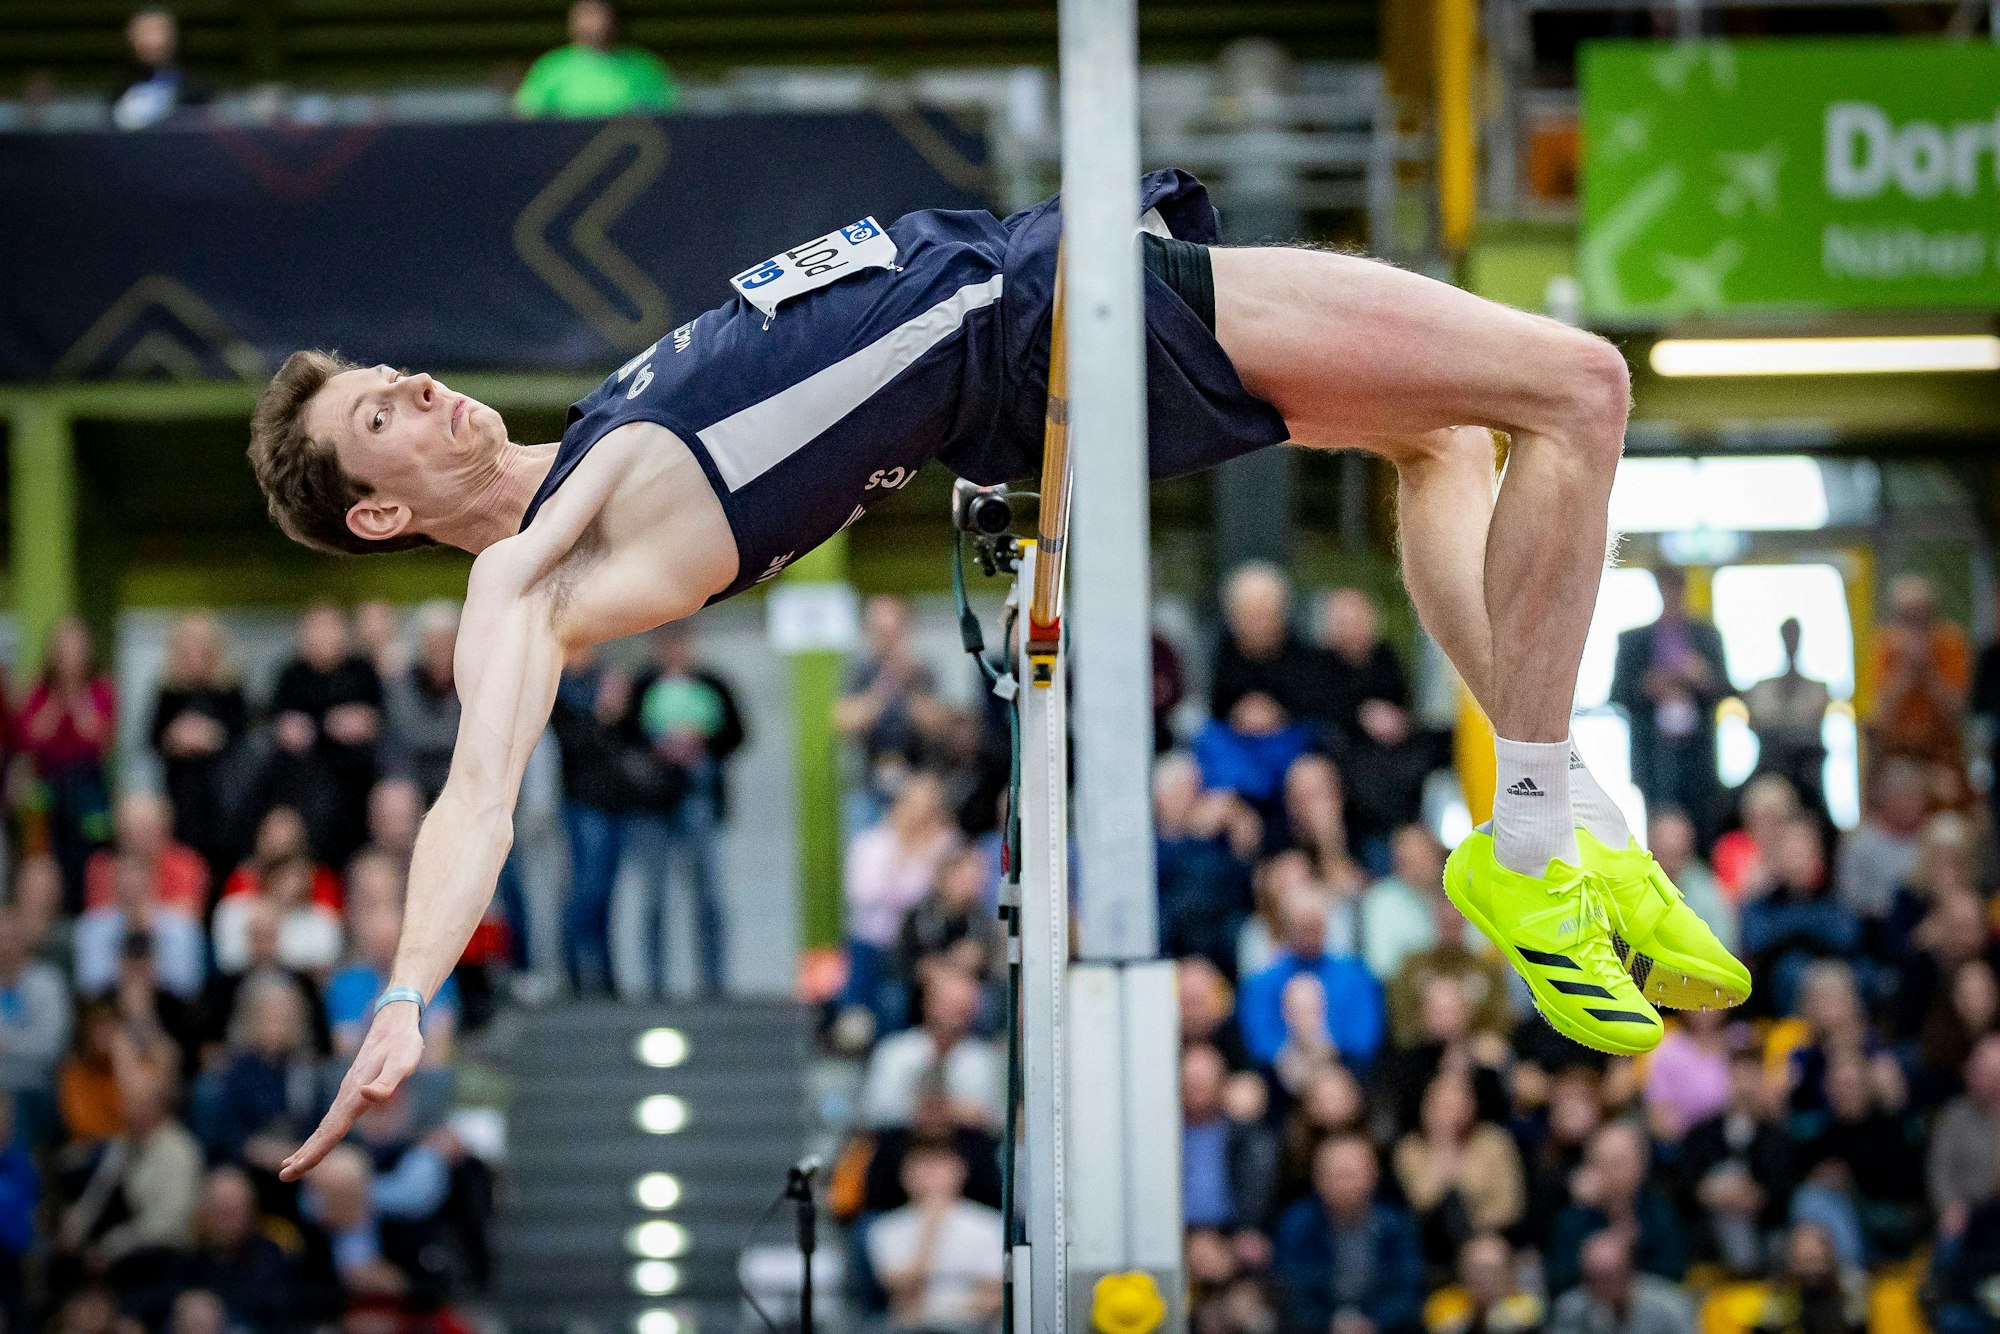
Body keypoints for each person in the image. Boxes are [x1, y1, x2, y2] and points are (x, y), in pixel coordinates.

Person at [252, 167, 1744, 1174]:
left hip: (1034, 297)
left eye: (390, 373)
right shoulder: (536, 568)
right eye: (375, 418)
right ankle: (1543, 833)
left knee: (1446, 436)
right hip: (1044, 323)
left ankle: (1577, 821)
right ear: (378, 511)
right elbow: (477, 795)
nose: (410, 386)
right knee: (1578, 385)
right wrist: (405, 992)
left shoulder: (590, 426)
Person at [623, 622, 745, 999]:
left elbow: (737, 734)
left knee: (708, 895)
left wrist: (700, 741)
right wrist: (659, 749)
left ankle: (714, 984)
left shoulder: (713, 683)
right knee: (654, 898)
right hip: (652, 805)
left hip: (697, 798)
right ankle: (655, 987)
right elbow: (623, 736)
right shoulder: (641, 685)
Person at [1610, 566, 1729, 848]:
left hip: (1698, 757)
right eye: (1667, 588)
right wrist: (1647, 686)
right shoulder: (1634, 641)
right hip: (1654, 755)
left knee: (1703, 833)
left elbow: (1727, 689)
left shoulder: (1707, 637)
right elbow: (1617, 693)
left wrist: (1702, 678)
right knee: (1659, 831)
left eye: (1678, 589)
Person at [1273, 1134, 1424, 1334]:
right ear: (1317, 1179)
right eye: (1335, 1175)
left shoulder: (1395, 1225)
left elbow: (1410, 1289)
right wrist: (1331, 1324)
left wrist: (1374, 1323)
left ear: (1373, 1176)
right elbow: (1289, 1293)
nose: (1343, 1185)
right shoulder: (1296, 1224)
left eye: (1350, 1175)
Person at [20, 617, 116, 908]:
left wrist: (77, 696)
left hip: (88, 781)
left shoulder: (101, 689)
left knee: (93, 854)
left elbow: (97, 737)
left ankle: (89, 906)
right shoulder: (39, 690)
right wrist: (57, 695)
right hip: (48, 781)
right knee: (43, 853)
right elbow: (33, 736)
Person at [864, 1139, 1005, 1334]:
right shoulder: (886, 1228)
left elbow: (996, 1294)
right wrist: (930, 1231)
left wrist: (948, 1312)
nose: (932, 1176)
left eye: (940, 1167)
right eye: (923, 1168)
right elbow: (902, 1296)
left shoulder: (989, 1224)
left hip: (974, 1326)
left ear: (960, 1171)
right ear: (905, 1175)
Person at [149, 613, 248, 877]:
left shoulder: (230, 691)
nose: (194, 658)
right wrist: (175, 737)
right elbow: (153, 740)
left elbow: (243, 738)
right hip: (181, 799)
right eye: (186, 650)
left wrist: (210, 736)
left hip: (223, 801)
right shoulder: (168, 694)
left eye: (201, 650)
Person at [1866, 573, 1970, 790]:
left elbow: (1955, 714)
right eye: (1906, 617)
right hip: (1897, 758)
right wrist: (1905, 670)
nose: (1914, 626)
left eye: (1921, 617)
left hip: (1942, 758)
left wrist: (1929, 670)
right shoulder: (1885, 646)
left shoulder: (1950, 644)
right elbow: (1879, 718)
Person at [515, 0, 678, 120]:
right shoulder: (550, 67)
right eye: (587, 14)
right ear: (572, 23)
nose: (596, 23)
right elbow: (527, 114)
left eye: (601, 14)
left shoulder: (645, 65)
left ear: (614, 19)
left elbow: (670, 113)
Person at [1743, 618, 1831, 816]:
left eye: (1795, 636)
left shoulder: (1818, 689)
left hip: (1807, 773)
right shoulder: (1762, 688)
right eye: (1787, 636)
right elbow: (1757, 722)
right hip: (1768, 768)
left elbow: (1810, 722)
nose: (1791, 642)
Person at [81, 790, 210, 918]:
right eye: (130, 831)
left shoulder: (185, 863)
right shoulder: (101, 867)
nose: (138, 839)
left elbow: (187, 917)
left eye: (146, 830)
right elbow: (99, 918)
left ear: (164, 828)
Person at [1547, 1230, 1695, 1334]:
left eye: (1607, 1277)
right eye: (1591, 1278)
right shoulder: (1570, 1309)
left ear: (1628, 1270)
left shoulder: (1670, 1307)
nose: (1600, 1286)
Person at [112, 6, 212, 131]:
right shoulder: (120, 89)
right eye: (143, 32)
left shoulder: (196, 88)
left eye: (157, 31)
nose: (150, 41)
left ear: (174, 36)